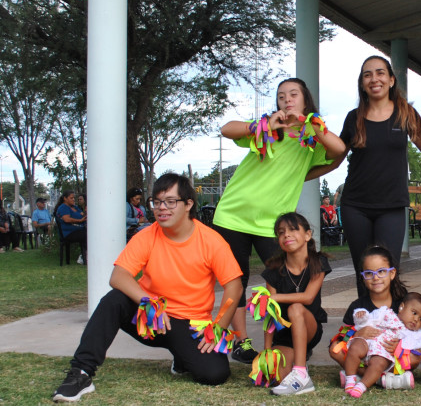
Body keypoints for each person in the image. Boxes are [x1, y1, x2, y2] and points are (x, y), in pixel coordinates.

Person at [51, 173, 243, 402]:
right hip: (149, 318)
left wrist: (218, 327)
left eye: (171, 202)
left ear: (189, 204)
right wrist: (150, 302)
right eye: (157, 202)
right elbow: (119, 276)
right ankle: (80, 373)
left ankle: (181, 357)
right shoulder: (147, 235)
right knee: (114, 300)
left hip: (187, 322)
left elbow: (234, 287)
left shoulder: (211, 240)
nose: (162, 208)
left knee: (215, 374)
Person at [212, 78, 345, 364]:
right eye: (281, 96)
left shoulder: (311, 139)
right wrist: (263, 126)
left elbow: (338, 150)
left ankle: (295, 337)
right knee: (235, 281)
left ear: (305, 100)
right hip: (232, 215)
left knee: (288, 281)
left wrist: (312, 126)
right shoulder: (264, 129)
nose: (287, 100)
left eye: (293, 94)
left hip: (273, 225)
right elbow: (226, 129)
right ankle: (241, 342)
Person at [313, 55, 421, 298]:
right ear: (362, 82)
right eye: (367, 74)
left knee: (388, 270)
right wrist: (300, 176)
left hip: (392, 206)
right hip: (356, 206)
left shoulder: (406, 113)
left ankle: (389, 328)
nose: (374, 78)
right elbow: (335, 160)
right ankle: (364, 326)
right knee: (364, 271)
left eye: (379, 73)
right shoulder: (353, 118)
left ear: (390, 80)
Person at [257, 212, 331, 396]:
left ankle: (301, 373)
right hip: (284, 336)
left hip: (309, 328)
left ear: (307, 235)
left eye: (292, 229)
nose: (286, 235)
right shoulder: (273, 270)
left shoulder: (317, 262)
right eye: (281, 232)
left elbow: (307, 298)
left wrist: (275, 298)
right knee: (273, 377)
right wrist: (267, 351)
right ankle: (297, 360)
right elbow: (270, 315)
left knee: (296, 308)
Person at [329, 246, 409, 386]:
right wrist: (357, 333)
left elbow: (414, 333)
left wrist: (400, 345)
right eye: (369, 273)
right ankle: (378, 379)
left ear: (392, 273)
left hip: (391, 355)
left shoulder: (403, 303)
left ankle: (363, 377)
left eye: (381, 271)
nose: (376, 277)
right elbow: (342, 337)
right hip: (366, 356)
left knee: (415, 353)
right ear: (363, 278)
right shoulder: (357, 306)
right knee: (334, 348)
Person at [344, 292, 421, 398]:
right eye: (414, 313)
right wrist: (361, 315)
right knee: (355, 347)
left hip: (383, 354)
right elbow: (369, 319)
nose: (416, 319)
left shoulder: (416, 335)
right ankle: (350, 379)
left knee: (378, 363)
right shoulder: (385, 313)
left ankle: (361, 386)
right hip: (369, 344)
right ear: (401, 307)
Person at [54, 190, 87, 258]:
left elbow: (82, 214)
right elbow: (66, 219)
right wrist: (80, 220)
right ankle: (85, 257)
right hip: (69, 233)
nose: (73, 199)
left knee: (92, 233)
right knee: (88, 235)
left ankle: (87, 256)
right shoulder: (63, 207)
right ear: (65, 198)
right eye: (71, 198)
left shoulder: (75, 207)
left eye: (74, 198)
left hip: (80, 230)